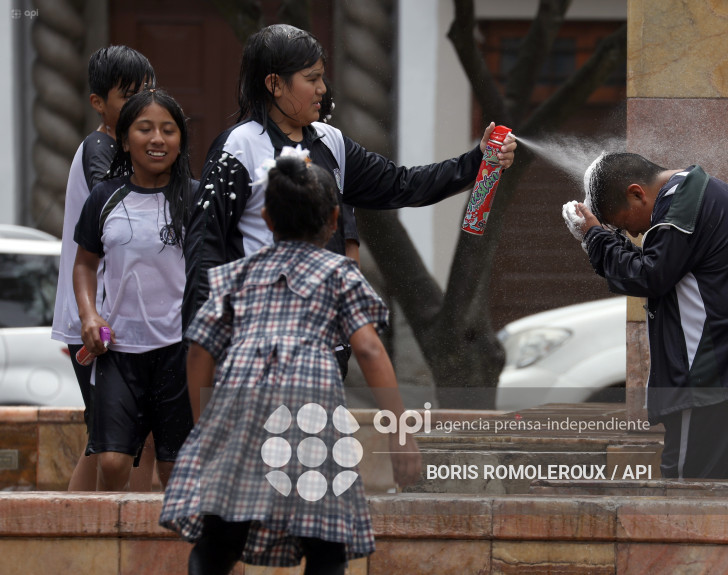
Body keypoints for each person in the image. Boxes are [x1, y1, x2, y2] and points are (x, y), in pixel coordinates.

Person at [160, 151, 422, 575]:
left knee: (222, 534)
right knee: (324, 540)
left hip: (240, 403)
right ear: (335, 220)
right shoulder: (339, 273)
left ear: (265, 218)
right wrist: (400, 432)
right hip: (310, 407)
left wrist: (205, 425)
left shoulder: (238, 275)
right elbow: (370, 350)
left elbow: (198, 350)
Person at [182, 24, 517, 347]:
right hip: (257, 337)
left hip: (325, 339)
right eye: (311, 79)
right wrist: (205, 347)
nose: (322, 89)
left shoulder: (332, 142)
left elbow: (402, 184)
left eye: (321, 77)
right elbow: (205, 249)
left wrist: (476, 160)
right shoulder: (237, 147)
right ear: (275, 84)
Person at [564, 152, 728, 479]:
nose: (630, 234)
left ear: (637, 193)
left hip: (711, 375)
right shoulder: (703, 191)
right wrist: (600, 236)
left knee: (685, 485)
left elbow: (649, 276)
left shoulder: (683, 205)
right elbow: (662, 264)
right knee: (711, 484)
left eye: (625, 223)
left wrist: (593, 236)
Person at [72, 88, 196, 490]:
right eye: (145, 129)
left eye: (168, 130)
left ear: (180, 140)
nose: (157, 139)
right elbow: (85, 264)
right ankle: (112, 548)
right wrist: (90, 315)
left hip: (181, 351)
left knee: (174, 471)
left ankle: (177, 552)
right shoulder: (104, 198)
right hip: (119, 349)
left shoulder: (196, 199)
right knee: (110, 461)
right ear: (125, 140)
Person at [50, 45, 159, 491]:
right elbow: (115, 213)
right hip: (98, 321)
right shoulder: (101, 147)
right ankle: (89, 540)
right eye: (128, 95)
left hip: (118, 319)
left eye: (148, 91)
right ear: (98, 103)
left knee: (122, 437)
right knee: (115, 439)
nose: (141, 103)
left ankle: (103, 538)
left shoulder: (126, 147)